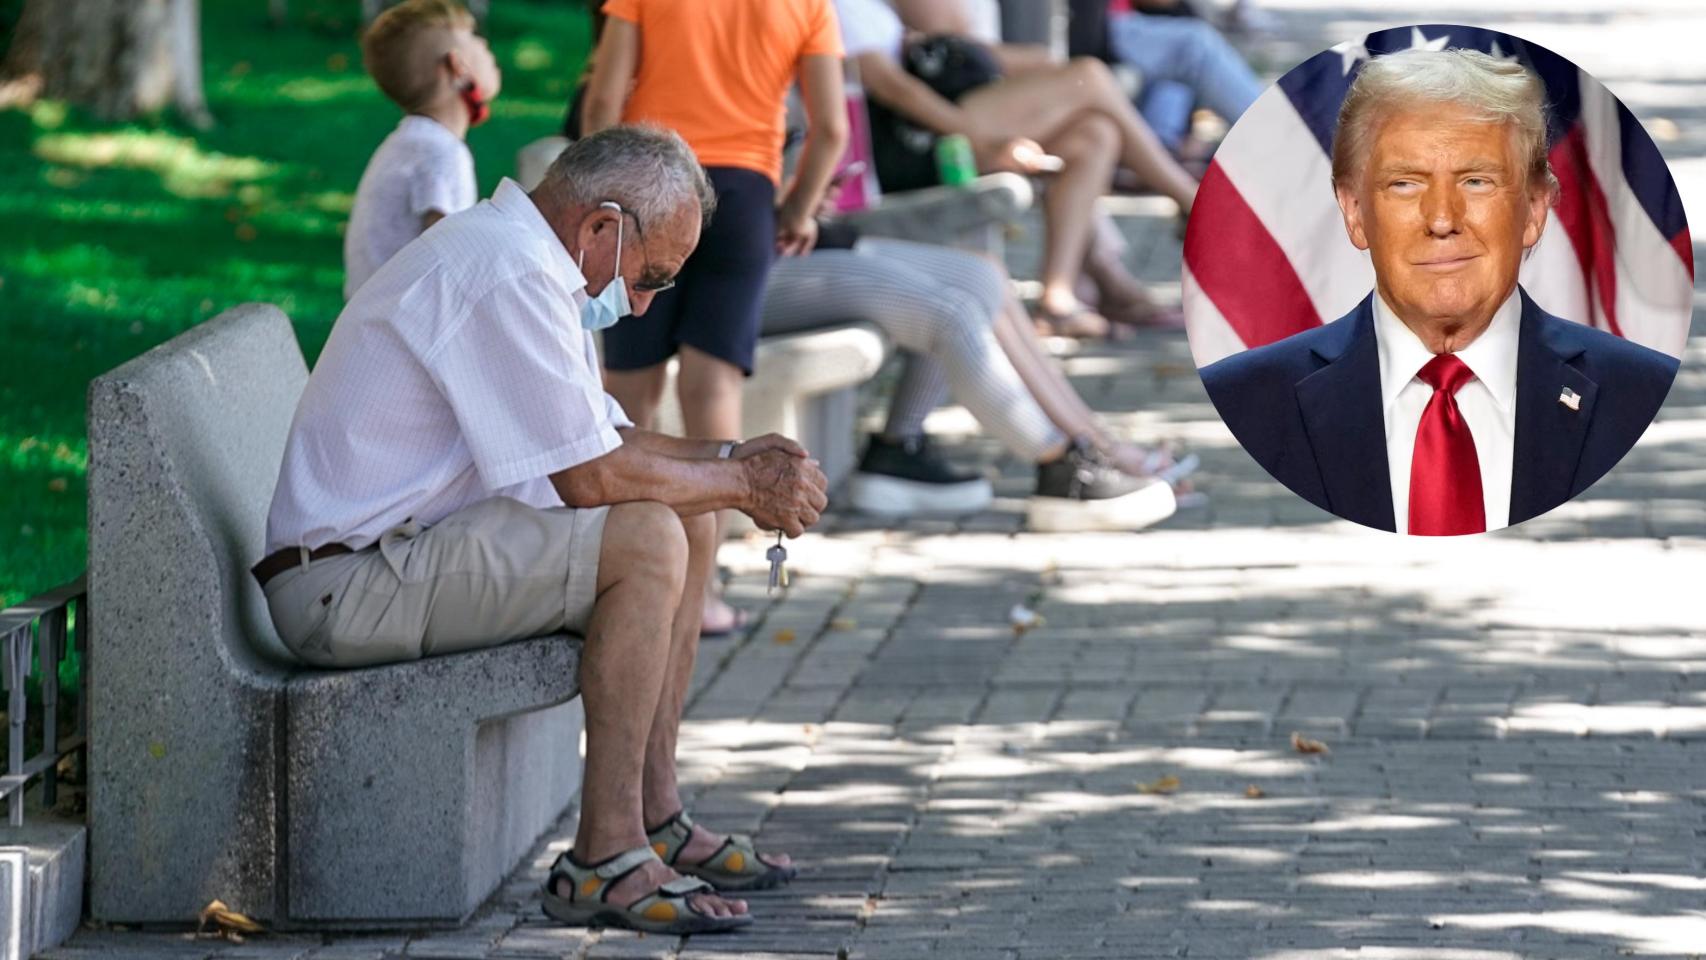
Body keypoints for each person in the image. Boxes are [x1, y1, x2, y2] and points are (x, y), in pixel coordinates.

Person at [256, 127, 828, 933]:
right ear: (601, 227)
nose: (640, 304)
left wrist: (733, 461)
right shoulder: (504, 274)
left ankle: (652, 816)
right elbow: (588, 478)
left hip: (387, 561)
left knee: (681, 519)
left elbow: (605, 439)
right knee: (651, 537)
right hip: (344, 586)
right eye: (650, 277)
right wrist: (738, 485)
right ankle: (606, 857)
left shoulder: (518, 261)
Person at [1198, 50, 1678, 535]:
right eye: (1405, 184)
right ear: (1354, 212)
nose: (1443, 219)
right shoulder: (1245, 402)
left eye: (1476, 181)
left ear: (1534, 209)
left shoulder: (1640, 394)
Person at [580, 0, 847, 636]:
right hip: (746, 192)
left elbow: (602, 102)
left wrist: (600, 191)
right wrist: (798, 211)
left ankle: (615, 574)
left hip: (649, 185)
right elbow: (832, 129)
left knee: (629, 392)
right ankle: (702, 594)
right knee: (713, 389)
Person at [763, 208, 1191, 532]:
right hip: (747, 262)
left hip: (791, 233)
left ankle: (1093, 442)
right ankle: (1062, 467)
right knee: (953, 315)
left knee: (980, 275)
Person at [836, 0, 1199, 334]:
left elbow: (946, 38)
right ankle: (1192, 199)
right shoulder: (839, 8)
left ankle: (1057, 299)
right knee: (1088, 76)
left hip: (932, 124)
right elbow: (895, 89)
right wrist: (984, 143)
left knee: (1095, 135)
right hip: (903, 147)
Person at [343, 0, 501, 299]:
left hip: (376, 323)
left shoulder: (409, 143)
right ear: (458, 67)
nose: (485, 45)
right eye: (475, 39)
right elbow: (450, 258)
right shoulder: (440, 153)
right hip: (404, 334)